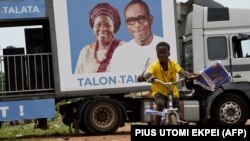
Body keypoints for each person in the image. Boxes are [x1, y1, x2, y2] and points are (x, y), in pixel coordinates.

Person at [138, 42, 196, 125]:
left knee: (178, 110)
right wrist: (143, 77)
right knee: (160, 104)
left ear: (169, 53)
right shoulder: (155, 65)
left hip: (172, 91)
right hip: (159, 91)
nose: (161, 55)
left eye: (164, 53)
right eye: (159, 53)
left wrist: (191, 75)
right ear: (157, 54)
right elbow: (148, 74)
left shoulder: (173, 64)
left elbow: (181, 71)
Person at [110, 0, 164, 73]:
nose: (137, 25)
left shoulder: (165, 46)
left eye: (141, 18)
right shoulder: (120, 53)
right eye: (131, 20)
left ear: (150, 19)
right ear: (127, 25)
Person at [75, 3, 125, 74]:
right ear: (93, 28)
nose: (103, 29)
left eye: (108, 25)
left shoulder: (124, 48)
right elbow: (76, 82)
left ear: (114, 29)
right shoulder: (86, 52)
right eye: (98, 25)